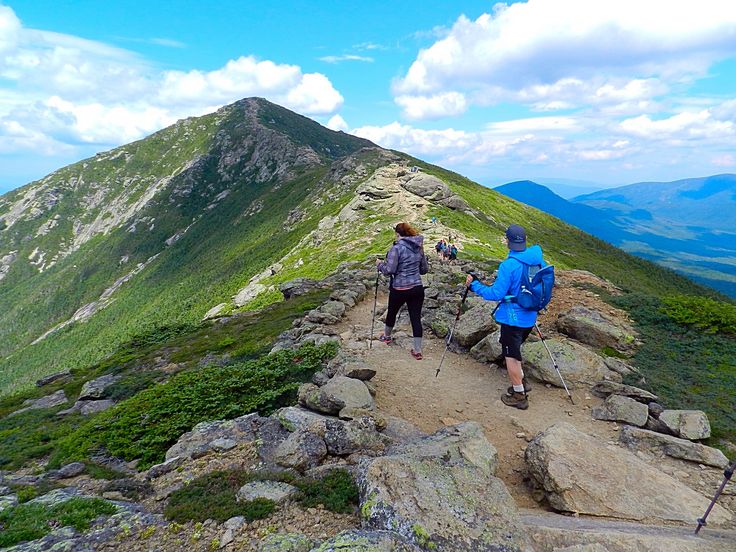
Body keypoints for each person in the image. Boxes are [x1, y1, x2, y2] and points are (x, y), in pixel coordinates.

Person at [464, 224, 546, 410]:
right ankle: (522, 384)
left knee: (511, 356)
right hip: (530, 316)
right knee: (516, 351)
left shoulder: (509, 265)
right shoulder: (538, 261)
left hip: (512, 318)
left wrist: (474, 286)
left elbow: (496, 293)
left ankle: (519, 395)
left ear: (507, 241)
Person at [376, 222, 429, 360]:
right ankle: (417, 350)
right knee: (415, 318)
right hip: (417, 288)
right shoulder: (419, 248)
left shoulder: (397, 248)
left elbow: (390, 270)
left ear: (398, 234)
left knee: (392, 312)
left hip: (399, 288)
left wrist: (379, 265)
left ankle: (387, 337)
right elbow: (424, 270)